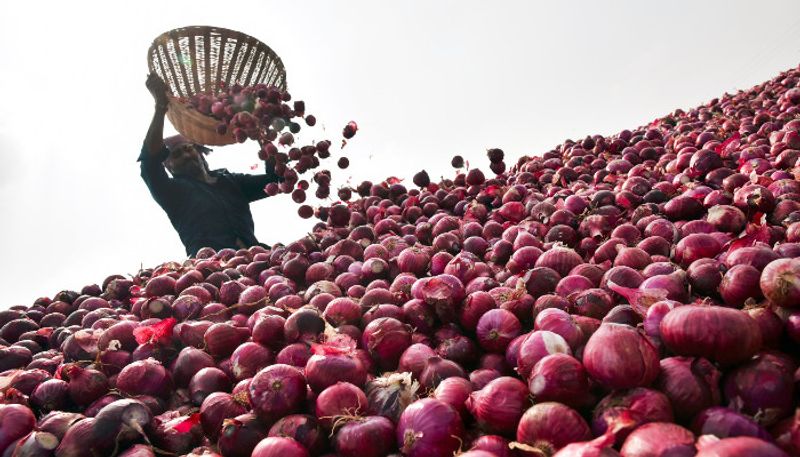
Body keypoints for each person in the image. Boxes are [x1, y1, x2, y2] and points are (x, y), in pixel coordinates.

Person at [140, 73, 283, 257]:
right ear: (168, 166)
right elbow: (149, 163)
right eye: (176, 155)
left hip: (255, 260)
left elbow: (275, 181)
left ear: (198, 151)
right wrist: (161, 107)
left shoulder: (230, 181)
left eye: (188, 149)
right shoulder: (171, 192)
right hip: (209, 271)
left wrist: (261, 132)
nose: (185, 155)